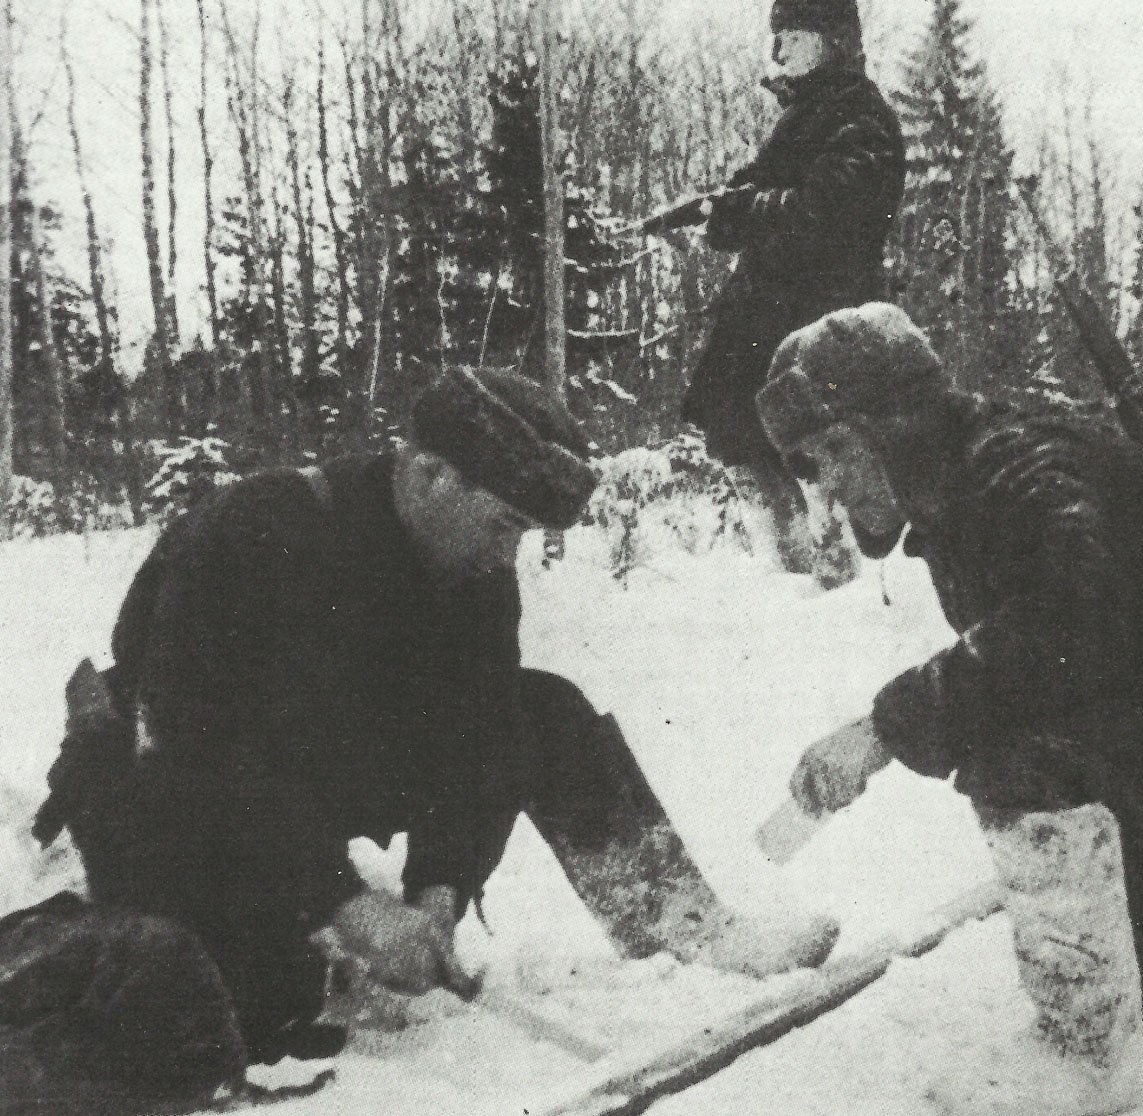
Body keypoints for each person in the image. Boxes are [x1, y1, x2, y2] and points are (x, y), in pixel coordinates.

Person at [31, 367, 838, 1068]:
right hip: (165, 794)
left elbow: (481, 732)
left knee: (541, 707)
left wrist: (438, 891)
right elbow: (192, 759)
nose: (506, 554)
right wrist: (347, 907)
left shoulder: (475, 570)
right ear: (427, 474)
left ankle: (680, 924)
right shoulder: (257, 533)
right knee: (254, 1009)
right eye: (502, 524)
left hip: (309, 773)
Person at [753, 303, 1143, 1109]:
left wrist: (884, 729)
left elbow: (1074, 619)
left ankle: (1084, 1052)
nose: (826, 491)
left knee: (1018, 748)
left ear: (886, 426)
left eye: (827, 457)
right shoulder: (972, 479)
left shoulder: (1014, 464)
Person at [681, 0, 905, 566]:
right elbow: (741, 209)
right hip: (765, 324)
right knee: (740, 446)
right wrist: (729, 209)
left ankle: (835, 582)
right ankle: (789, 576)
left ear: (830, 39)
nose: (777, 49)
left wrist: (748, 207)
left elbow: (832, 208)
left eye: (791, 35)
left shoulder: (862, 115)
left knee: (818, 463)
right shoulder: (805, 116)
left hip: (821, 330)